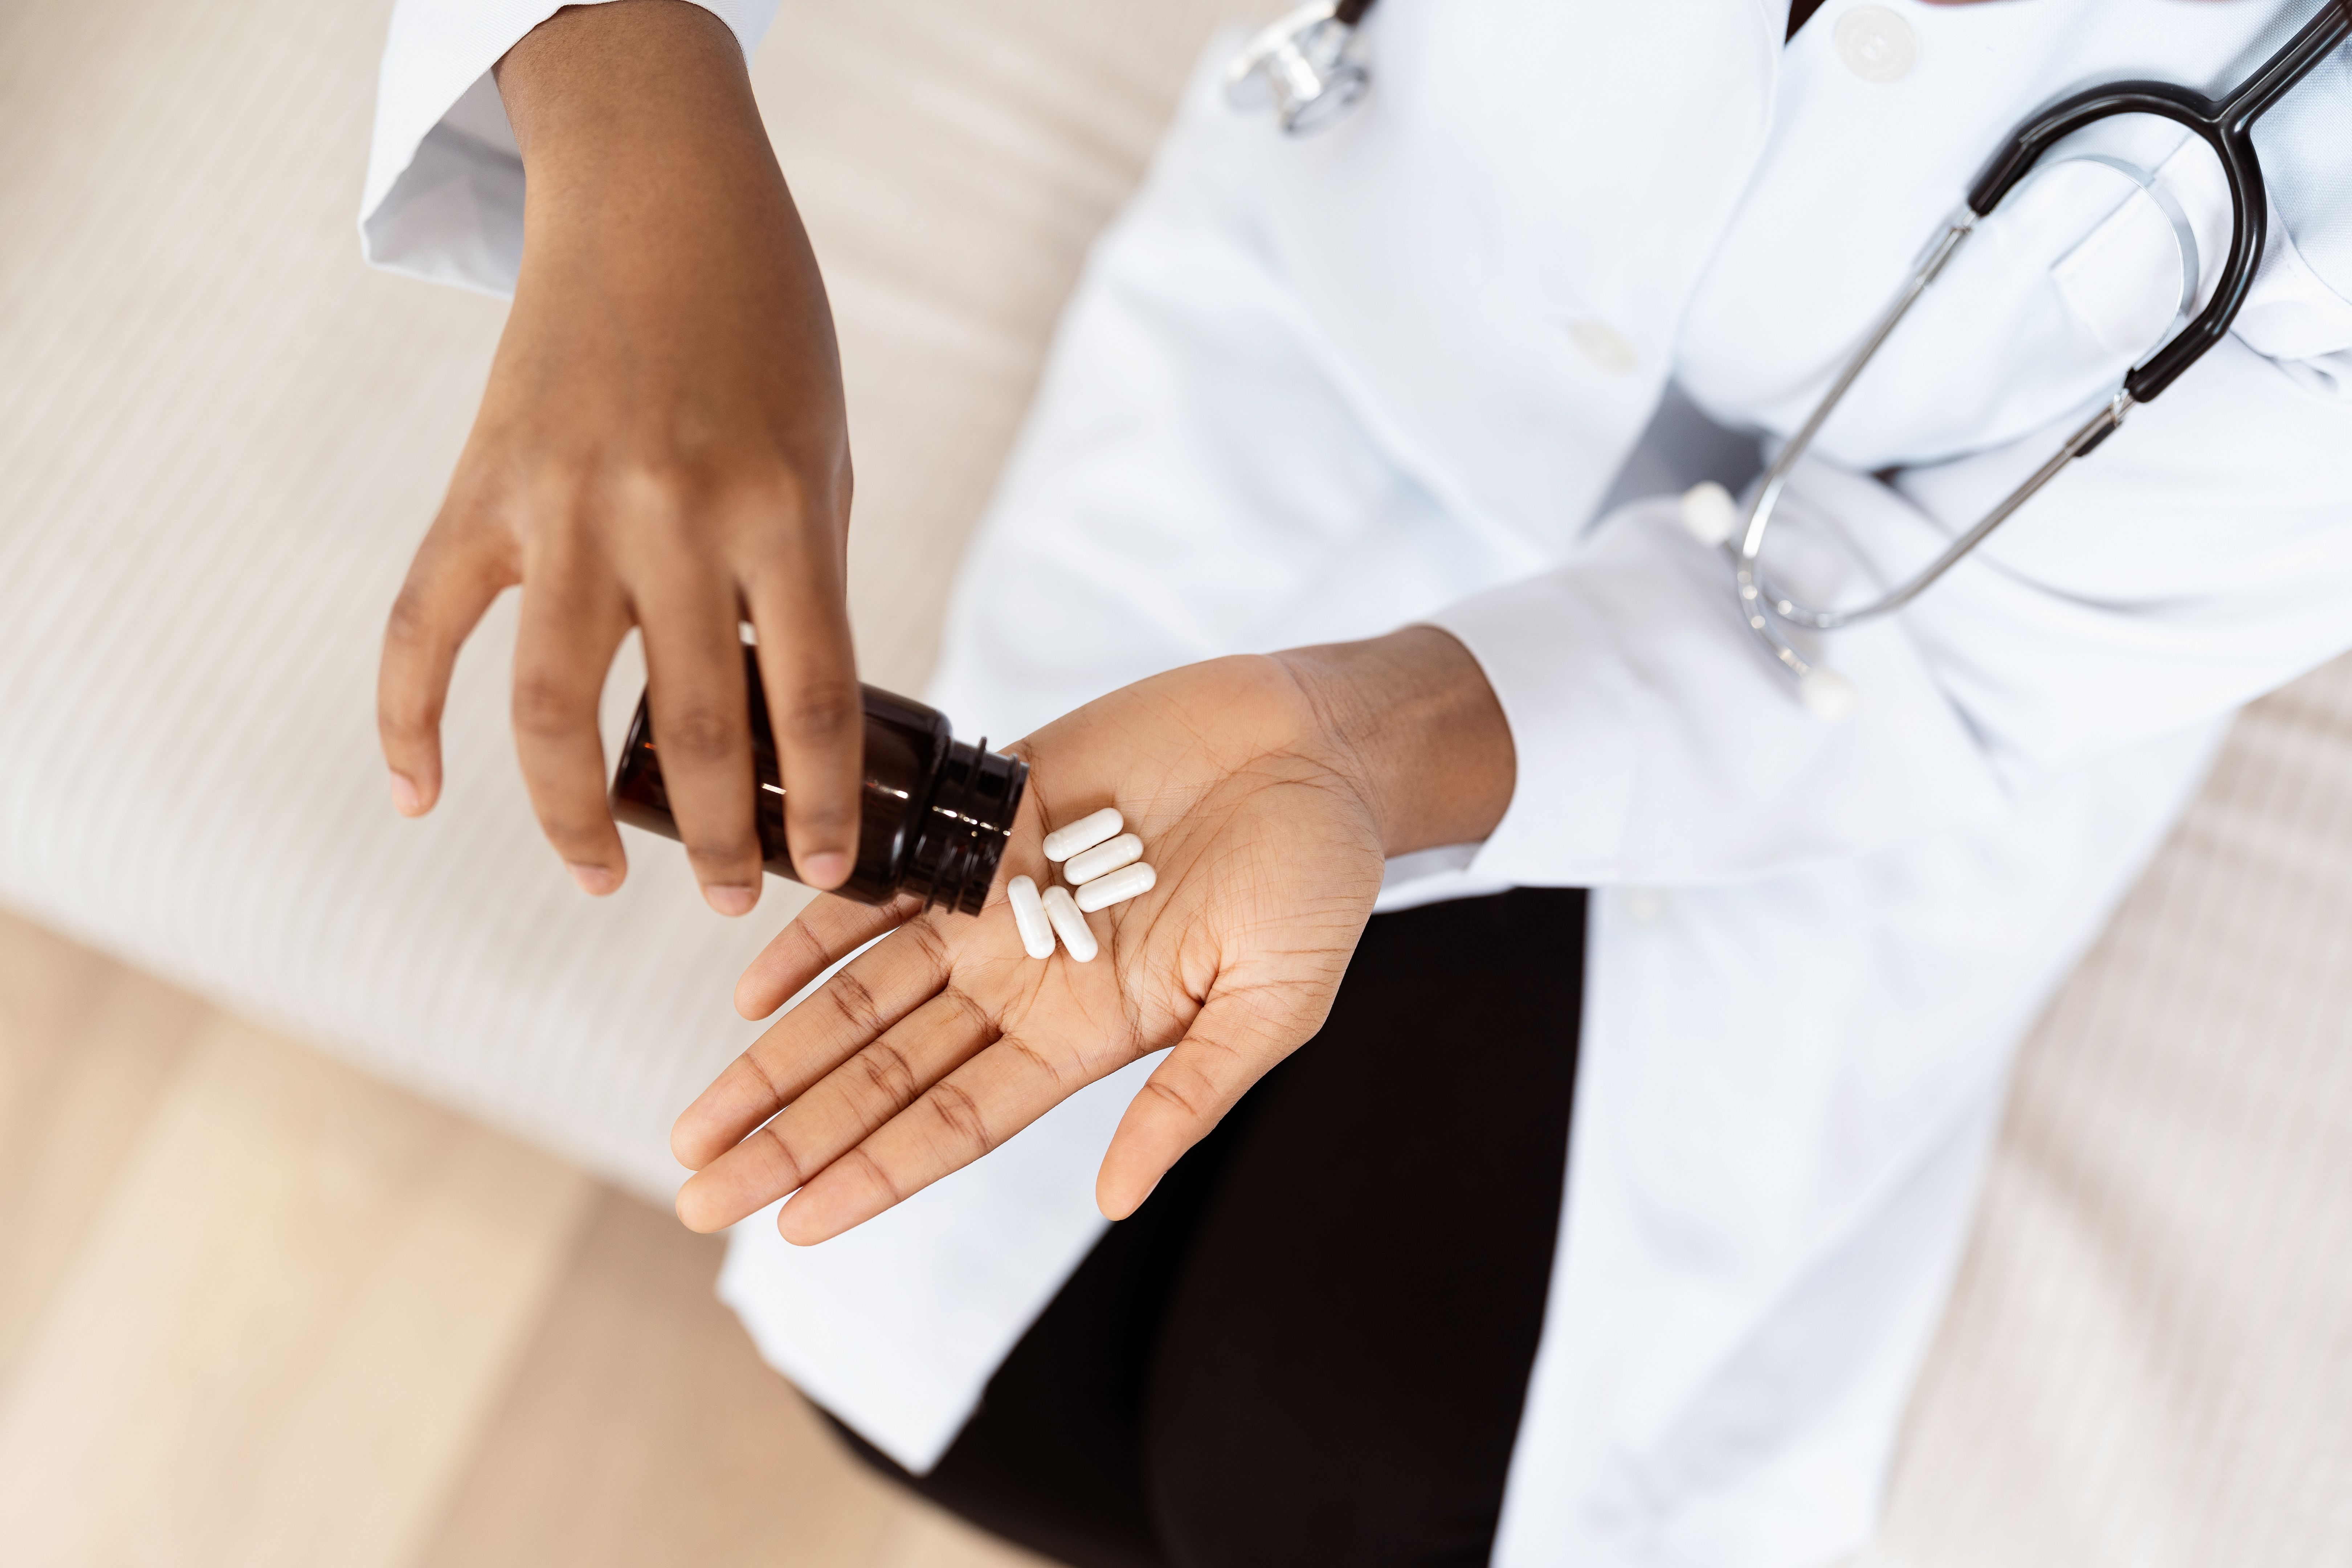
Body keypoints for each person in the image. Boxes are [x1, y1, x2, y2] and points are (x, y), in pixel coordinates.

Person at [360, 0, 2352, 1562]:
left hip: (1909, 626)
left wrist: (1365, 747)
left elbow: (1946, 640)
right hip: (1362, 325)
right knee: (928, 1370)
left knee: (1330, 1483)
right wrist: (631, 109)